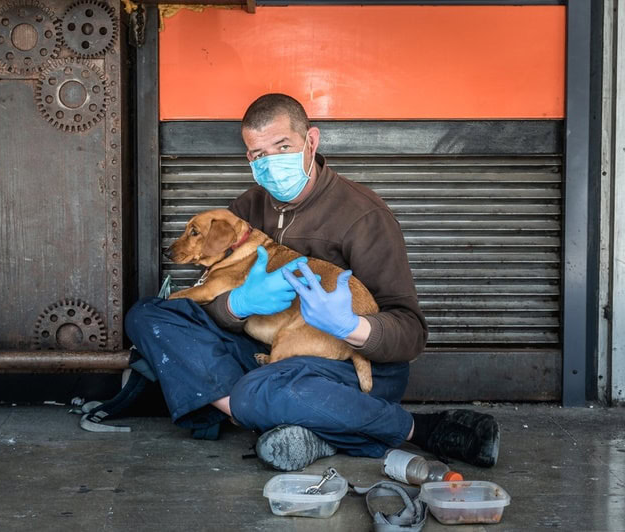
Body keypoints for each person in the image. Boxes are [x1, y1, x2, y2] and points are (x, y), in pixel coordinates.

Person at [125, 93, 499, 471]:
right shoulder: (247, 208)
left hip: (349, 368)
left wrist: (351, 326)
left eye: (282, 146)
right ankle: (273, 417)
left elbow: (411, 332)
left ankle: (419, 429)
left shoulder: (365, 215)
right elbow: (209, 300)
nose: (269, 162)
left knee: (260, 390)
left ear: (311, 141)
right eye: (257, 154)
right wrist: (237, 305)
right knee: (146, 315)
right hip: (268, 352)